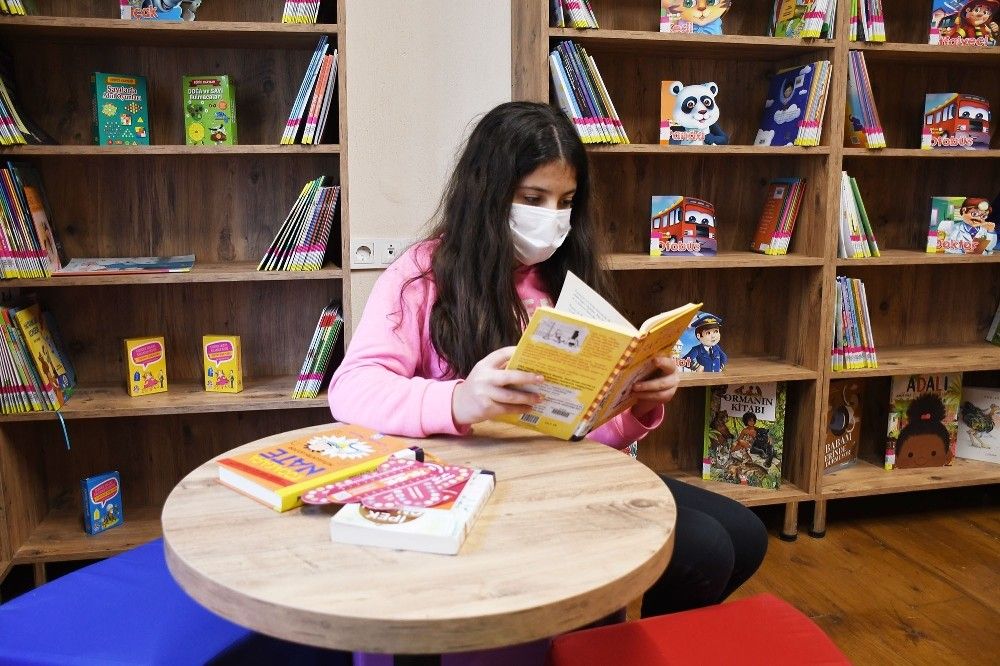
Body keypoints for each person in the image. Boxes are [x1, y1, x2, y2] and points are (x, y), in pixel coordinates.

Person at [328, 101, 766, 621]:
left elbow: (582, 427)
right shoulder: (421, 274)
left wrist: (636, 403)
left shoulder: (565, 278)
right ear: (486, 192)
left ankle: (631, 646)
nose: (552, 218)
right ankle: (612, 645)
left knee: (745, 535)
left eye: (567, 202)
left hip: (564, 468)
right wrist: (460, 400)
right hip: (479, 482)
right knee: (704, 548)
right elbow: (351, 389)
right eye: (533, 199)